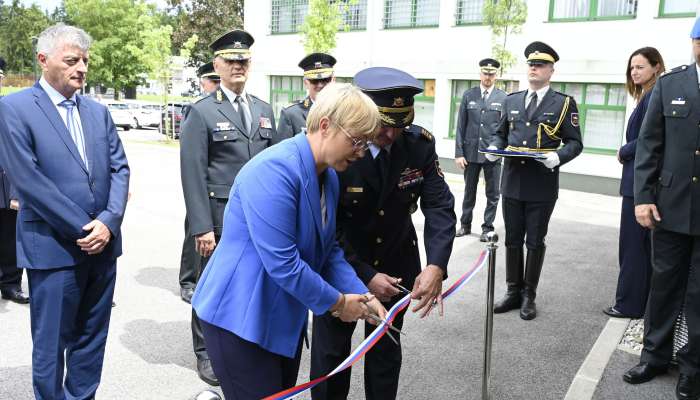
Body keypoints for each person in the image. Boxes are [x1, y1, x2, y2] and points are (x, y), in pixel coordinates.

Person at [191, 82, 387, 399]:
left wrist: (360, 294)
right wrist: (339, 305)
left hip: (280, 321)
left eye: (366, 143)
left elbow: (328, 251)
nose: (361, 152)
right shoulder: (274, 170)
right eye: (356, 141)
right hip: (239, 318)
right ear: (325, 126)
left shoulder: (329, 176)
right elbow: (284, 264)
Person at [310, 67, 457, 400]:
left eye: (400, 126)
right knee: (333, 357)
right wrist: (364, 275)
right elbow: (328, 227)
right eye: (384, 125)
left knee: (385, 353)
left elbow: (439, 206)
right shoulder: (339, 148)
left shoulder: (419, 145)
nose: (391, 135)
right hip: (343, 267)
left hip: (396, 264)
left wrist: (435, 265)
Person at [0, 24, 130, 399]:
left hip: (103, 248)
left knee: (91, 340)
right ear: (43, 60)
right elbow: (29, 180)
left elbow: (120, 168)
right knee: (51, 345)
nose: (82, 68)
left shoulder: (97, 112)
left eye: (85, 60)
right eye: (71, 60)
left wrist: (108, 223)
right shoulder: (14, 109)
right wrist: (86, 228)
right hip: (54, 249)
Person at [179, 28, 280, 386]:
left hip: (260, 219)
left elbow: (274, 168)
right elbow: (192, 174)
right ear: (217, 65)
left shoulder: (265, 110)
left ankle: (243, 341)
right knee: (210, 284)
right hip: (219, 219)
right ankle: (205, 353)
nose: (238, 65)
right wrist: (201, 226)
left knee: (251, 281)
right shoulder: (202, 112)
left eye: (244, 60)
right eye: (231, 60)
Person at [623, 19, 700, 400]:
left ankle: (692, 369)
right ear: (693, 42)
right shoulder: (672, 84)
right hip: (668, 207)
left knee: (699, 293)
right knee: (664, 285)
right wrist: (643, 198)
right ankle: (654, 356)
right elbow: (650, 146)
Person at [487, 41, 583, 321]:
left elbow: (575, 143)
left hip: (542, 184)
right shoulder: (512, 100)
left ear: (551, 71)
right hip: (513, 181)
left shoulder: (564, 103)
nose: (533, 69)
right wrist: (494, 148)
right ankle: (513, 290)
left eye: (540, 65)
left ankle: (529, 294)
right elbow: (500, 134)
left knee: (535, 240)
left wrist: (558, 156)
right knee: (513, 238)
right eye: (531, 64)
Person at [603, 47, 665, 319]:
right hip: (638, 183)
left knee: (632, 248)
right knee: (638, 247)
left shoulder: (654, 96)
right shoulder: (648, 96)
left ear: (656, 67)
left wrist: (624, 151)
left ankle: (628, 304)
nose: (635, 72)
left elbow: (651, 140)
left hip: (638, 185)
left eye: (640, 66)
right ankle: (637, 302)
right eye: (631, 68)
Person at [178, 61, 220, 304]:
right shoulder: (197, 109)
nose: (215, 86)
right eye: (211, 81)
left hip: (219, 191)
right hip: (202, 187)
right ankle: (187, 280)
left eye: (217, 81)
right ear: (204, 82)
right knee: (193, 232)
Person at [454, 58, 507, 242]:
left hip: (492, 155)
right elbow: (460, 126)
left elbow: (505, 129)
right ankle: (465, 225)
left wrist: (500, 150)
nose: (488, 77)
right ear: (480, 74)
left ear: (496, 76)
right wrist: (459, 153)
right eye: (485, 73)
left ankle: (487, 228)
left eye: (491, 74)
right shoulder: (469, 95)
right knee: (469, 192)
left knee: (493, 194)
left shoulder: (503, 98)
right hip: (470, 153)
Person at [0, 55, 29, 305]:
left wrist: (17, 190)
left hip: (5, 182)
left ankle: (10, 283)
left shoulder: (9, 108)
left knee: (9, 236)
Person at [277, 52, 336, 139]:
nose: (320, 85)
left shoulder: (344, 110)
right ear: (305, 82)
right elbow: (283, 151)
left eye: (325, 80)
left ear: (333, 80)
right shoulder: (291, 114)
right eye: (314, 81)